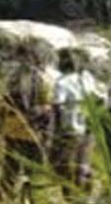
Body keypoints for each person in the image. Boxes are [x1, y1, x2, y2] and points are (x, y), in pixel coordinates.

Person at [0, 45, 52, 200]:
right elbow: (47, 106)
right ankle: (26, 198)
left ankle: (4, 196)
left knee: (11, 167)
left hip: (13, 128)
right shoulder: (42, 79)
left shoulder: (11, 77)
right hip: (33, 130)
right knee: (30, 169)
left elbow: (2, 103)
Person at [52, 48, 102, 200]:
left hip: (71, 130)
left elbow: (57, 107)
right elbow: (100, 99)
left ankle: (71, 197)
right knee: (82, 164)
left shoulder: (62, 82)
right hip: (89, 128)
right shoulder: (88, 78)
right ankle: (86, 196)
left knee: (66, 166)